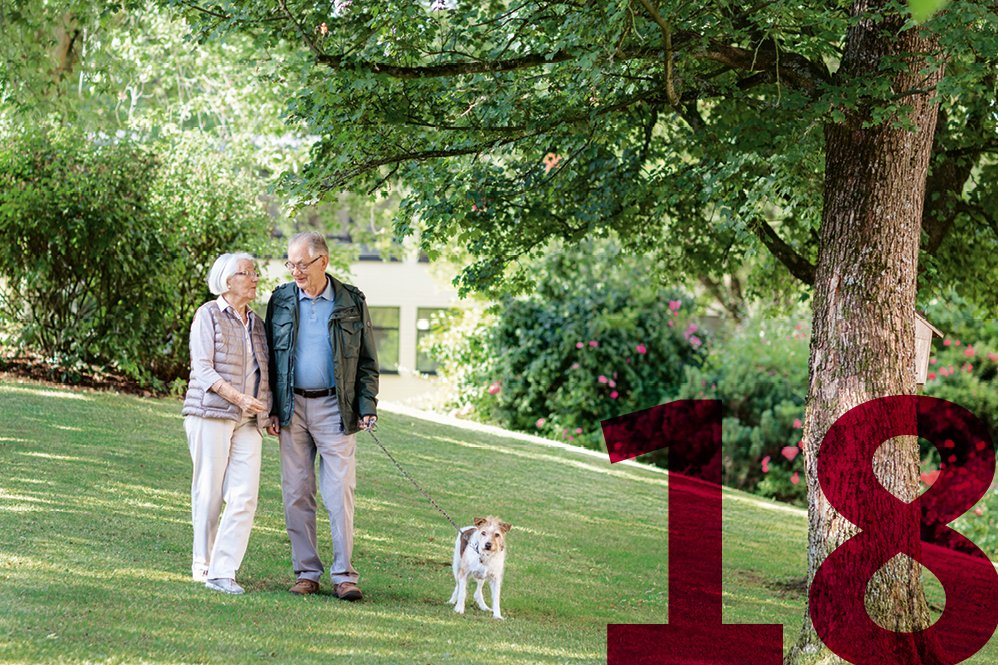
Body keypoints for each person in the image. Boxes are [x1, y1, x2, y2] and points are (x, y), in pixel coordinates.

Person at [265, 232, 379, 600]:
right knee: (297, 492)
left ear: (323, 262)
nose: (295, 271)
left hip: (335, 407)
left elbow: (367, 363)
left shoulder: (351, 301)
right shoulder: (281, 300)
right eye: (291, 264)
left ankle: (344, 575)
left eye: (302, 264)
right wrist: (270, 406)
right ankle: (307, 572)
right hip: (292, 408)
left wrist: (366, 406)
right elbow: (269, 358)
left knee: (338, 492)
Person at [181, 252, 271, 595]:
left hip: (249, 421)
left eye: (255, 273)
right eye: (247, 273)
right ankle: (203, 563)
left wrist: (267, 411)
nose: (254, 279)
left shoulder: (257, 324)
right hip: (211, 413)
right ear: (227, 280)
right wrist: (238, 398)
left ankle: (223, 571)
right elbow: (202, 369)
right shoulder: (208, 315)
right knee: (209, 492)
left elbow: (266, 374)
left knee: (245, 495)